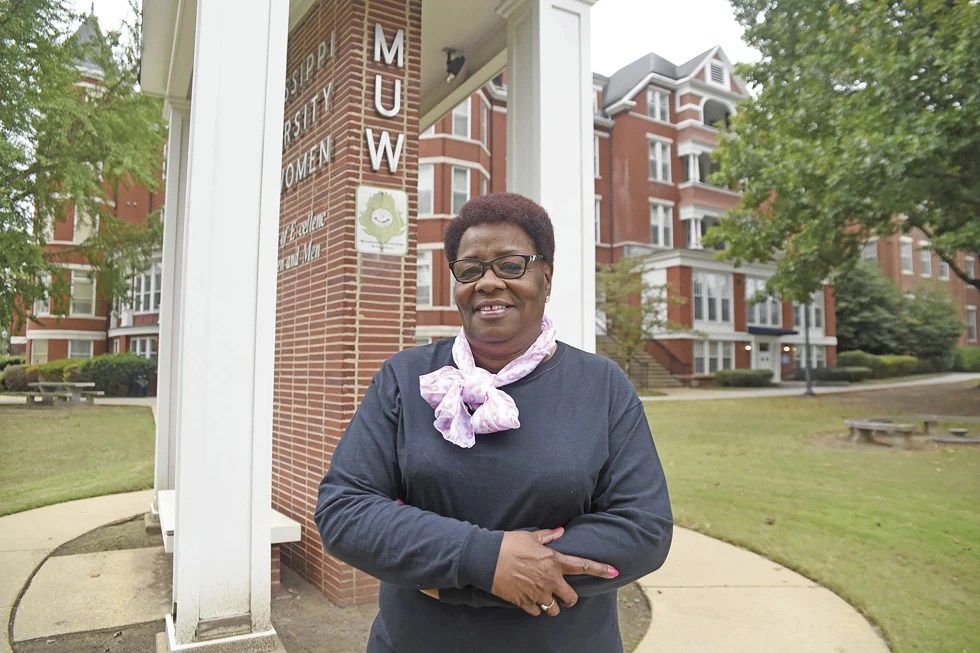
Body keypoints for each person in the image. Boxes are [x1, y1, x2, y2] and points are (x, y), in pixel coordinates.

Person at [314, 192, 672, 653]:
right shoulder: (404, 378)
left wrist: (457, 582)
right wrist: (484, 560)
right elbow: (346, 511)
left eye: (510, 265)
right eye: (469, 269)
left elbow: (642, 529)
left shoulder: (601, 385)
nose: (487, 282)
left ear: (547, 276)